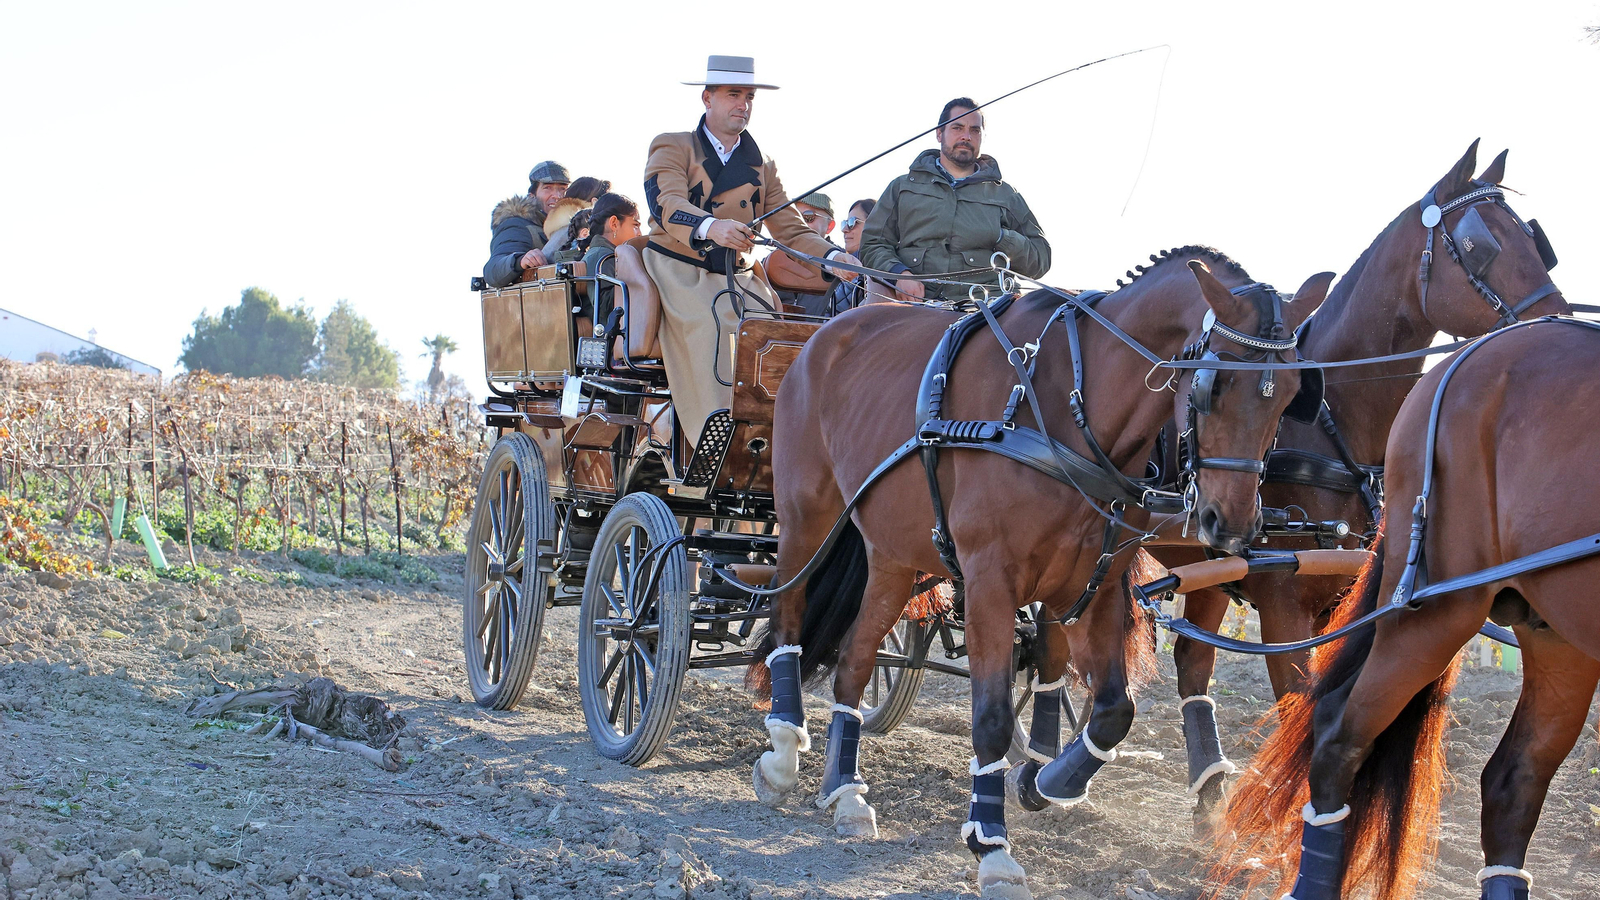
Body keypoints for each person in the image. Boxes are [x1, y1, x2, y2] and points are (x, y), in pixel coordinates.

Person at [642, 55, 859, 445]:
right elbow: (667, 203)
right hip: (680, 269)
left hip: (738, 274)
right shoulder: (673, 146)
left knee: (772, 333)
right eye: (733, 94)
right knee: (713, 326)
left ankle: (782, 439)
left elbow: (790, 227)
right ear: (707, 98)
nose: (743, 104)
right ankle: (715, 437)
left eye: (749, 96)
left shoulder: (763, 164)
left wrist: (832, 257)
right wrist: (712, 227)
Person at [860, 98, 1050, 302]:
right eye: (957, 128)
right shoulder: (902, 187)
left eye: (975, 130)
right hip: (916, 308)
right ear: (939, 133)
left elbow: (1040, 260)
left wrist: (1000, 236)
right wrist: (899, 274)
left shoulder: (1006, 195)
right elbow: (872, 244)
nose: (966, 136)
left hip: (989, 310)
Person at [482, 160, 572, 288]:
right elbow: (493, 270)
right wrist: (520, 260)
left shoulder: (574, 225)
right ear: (532, 196)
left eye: (562, 189)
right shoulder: (518, 225)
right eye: (547, 188)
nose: (557, 196)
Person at [765, 192, 842, 315]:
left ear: (829, 226)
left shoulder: (842, 263)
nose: (800, 225)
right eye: (795, 218)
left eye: (808, 217)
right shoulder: (771, 261)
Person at [580, 193, 644, 323]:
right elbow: (606, 309)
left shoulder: (605, 254)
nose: (640, 233)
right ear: (614, 223)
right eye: (635, 226)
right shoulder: (603, 257)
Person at [827, 198, 883, 313]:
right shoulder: (843, 263)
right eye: (845, 223)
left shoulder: (881, 267)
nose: (845, 229)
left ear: (875, 225)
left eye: (853, 222)